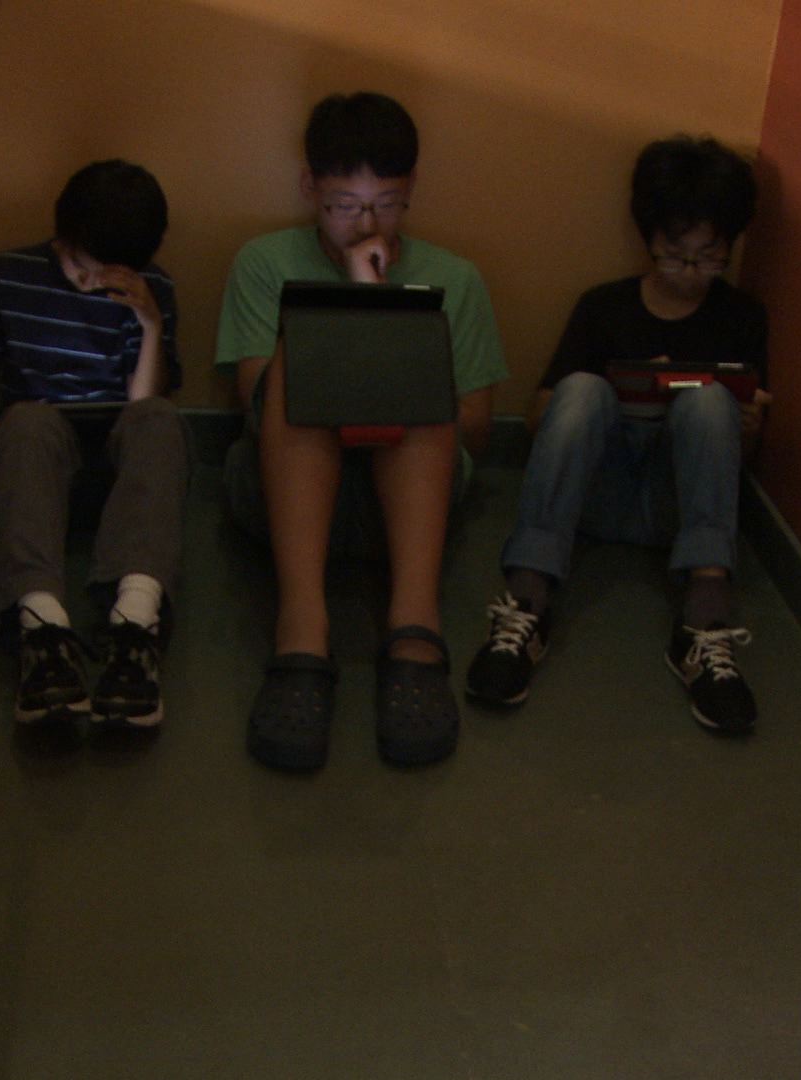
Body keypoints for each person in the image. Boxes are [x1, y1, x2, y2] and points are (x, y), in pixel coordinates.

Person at [214, 91, 508, 771]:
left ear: (412, 192)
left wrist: (387, 332)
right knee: (300, 355)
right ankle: (301, 630)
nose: (367, 224)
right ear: (309, 188)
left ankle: (414, 629)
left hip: (411, 503)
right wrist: (350, 315)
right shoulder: (264, 261)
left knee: (415, 359)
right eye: (345, 205)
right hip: (283, 492)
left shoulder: (455, 278)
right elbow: (254, 400)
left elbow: (476, 430)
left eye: (388, 204)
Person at [463, 135, 770, 735]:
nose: (690, 273)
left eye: (709, 258)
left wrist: (744, 425)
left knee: (709, 400)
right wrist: (630, 389)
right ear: (648, 241)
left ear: (729, 248)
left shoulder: (741, 316)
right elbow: (540, 420)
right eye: (674, 256)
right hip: (593, 500)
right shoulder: (604, 307)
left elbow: (741, 461)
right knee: (580, 389)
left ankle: (704, 622)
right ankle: (525, 604)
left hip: (677, 511)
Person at [0, 159, 188, 733]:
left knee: (161, 419)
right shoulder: (5, 277)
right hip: (37, 457)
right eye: (83, 267)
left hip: (120, 464)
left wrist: (150, 324)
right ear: (63, 239)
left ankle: (135, 623)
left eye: (108, 274)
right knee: (28, 420)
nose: (91, 283)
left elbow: (142, 405)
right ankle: (42, 629)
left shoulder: (151, 288)